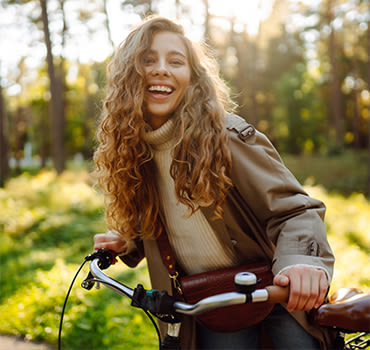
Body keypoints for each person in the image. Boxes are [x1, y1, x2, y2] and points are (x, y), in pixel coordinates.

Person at [93, 16, 335, 349]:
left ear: (192, 78)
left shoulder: (225, 136)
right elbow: (158, 221)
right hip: (213, 301)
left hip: (274, 291)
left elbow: (296, 210)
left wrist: (302, 262)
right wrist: (127, 242)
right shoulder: (134, 151)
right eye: (148, 60)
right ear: (126, 76)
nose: (162, 69)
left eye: (175, 61)